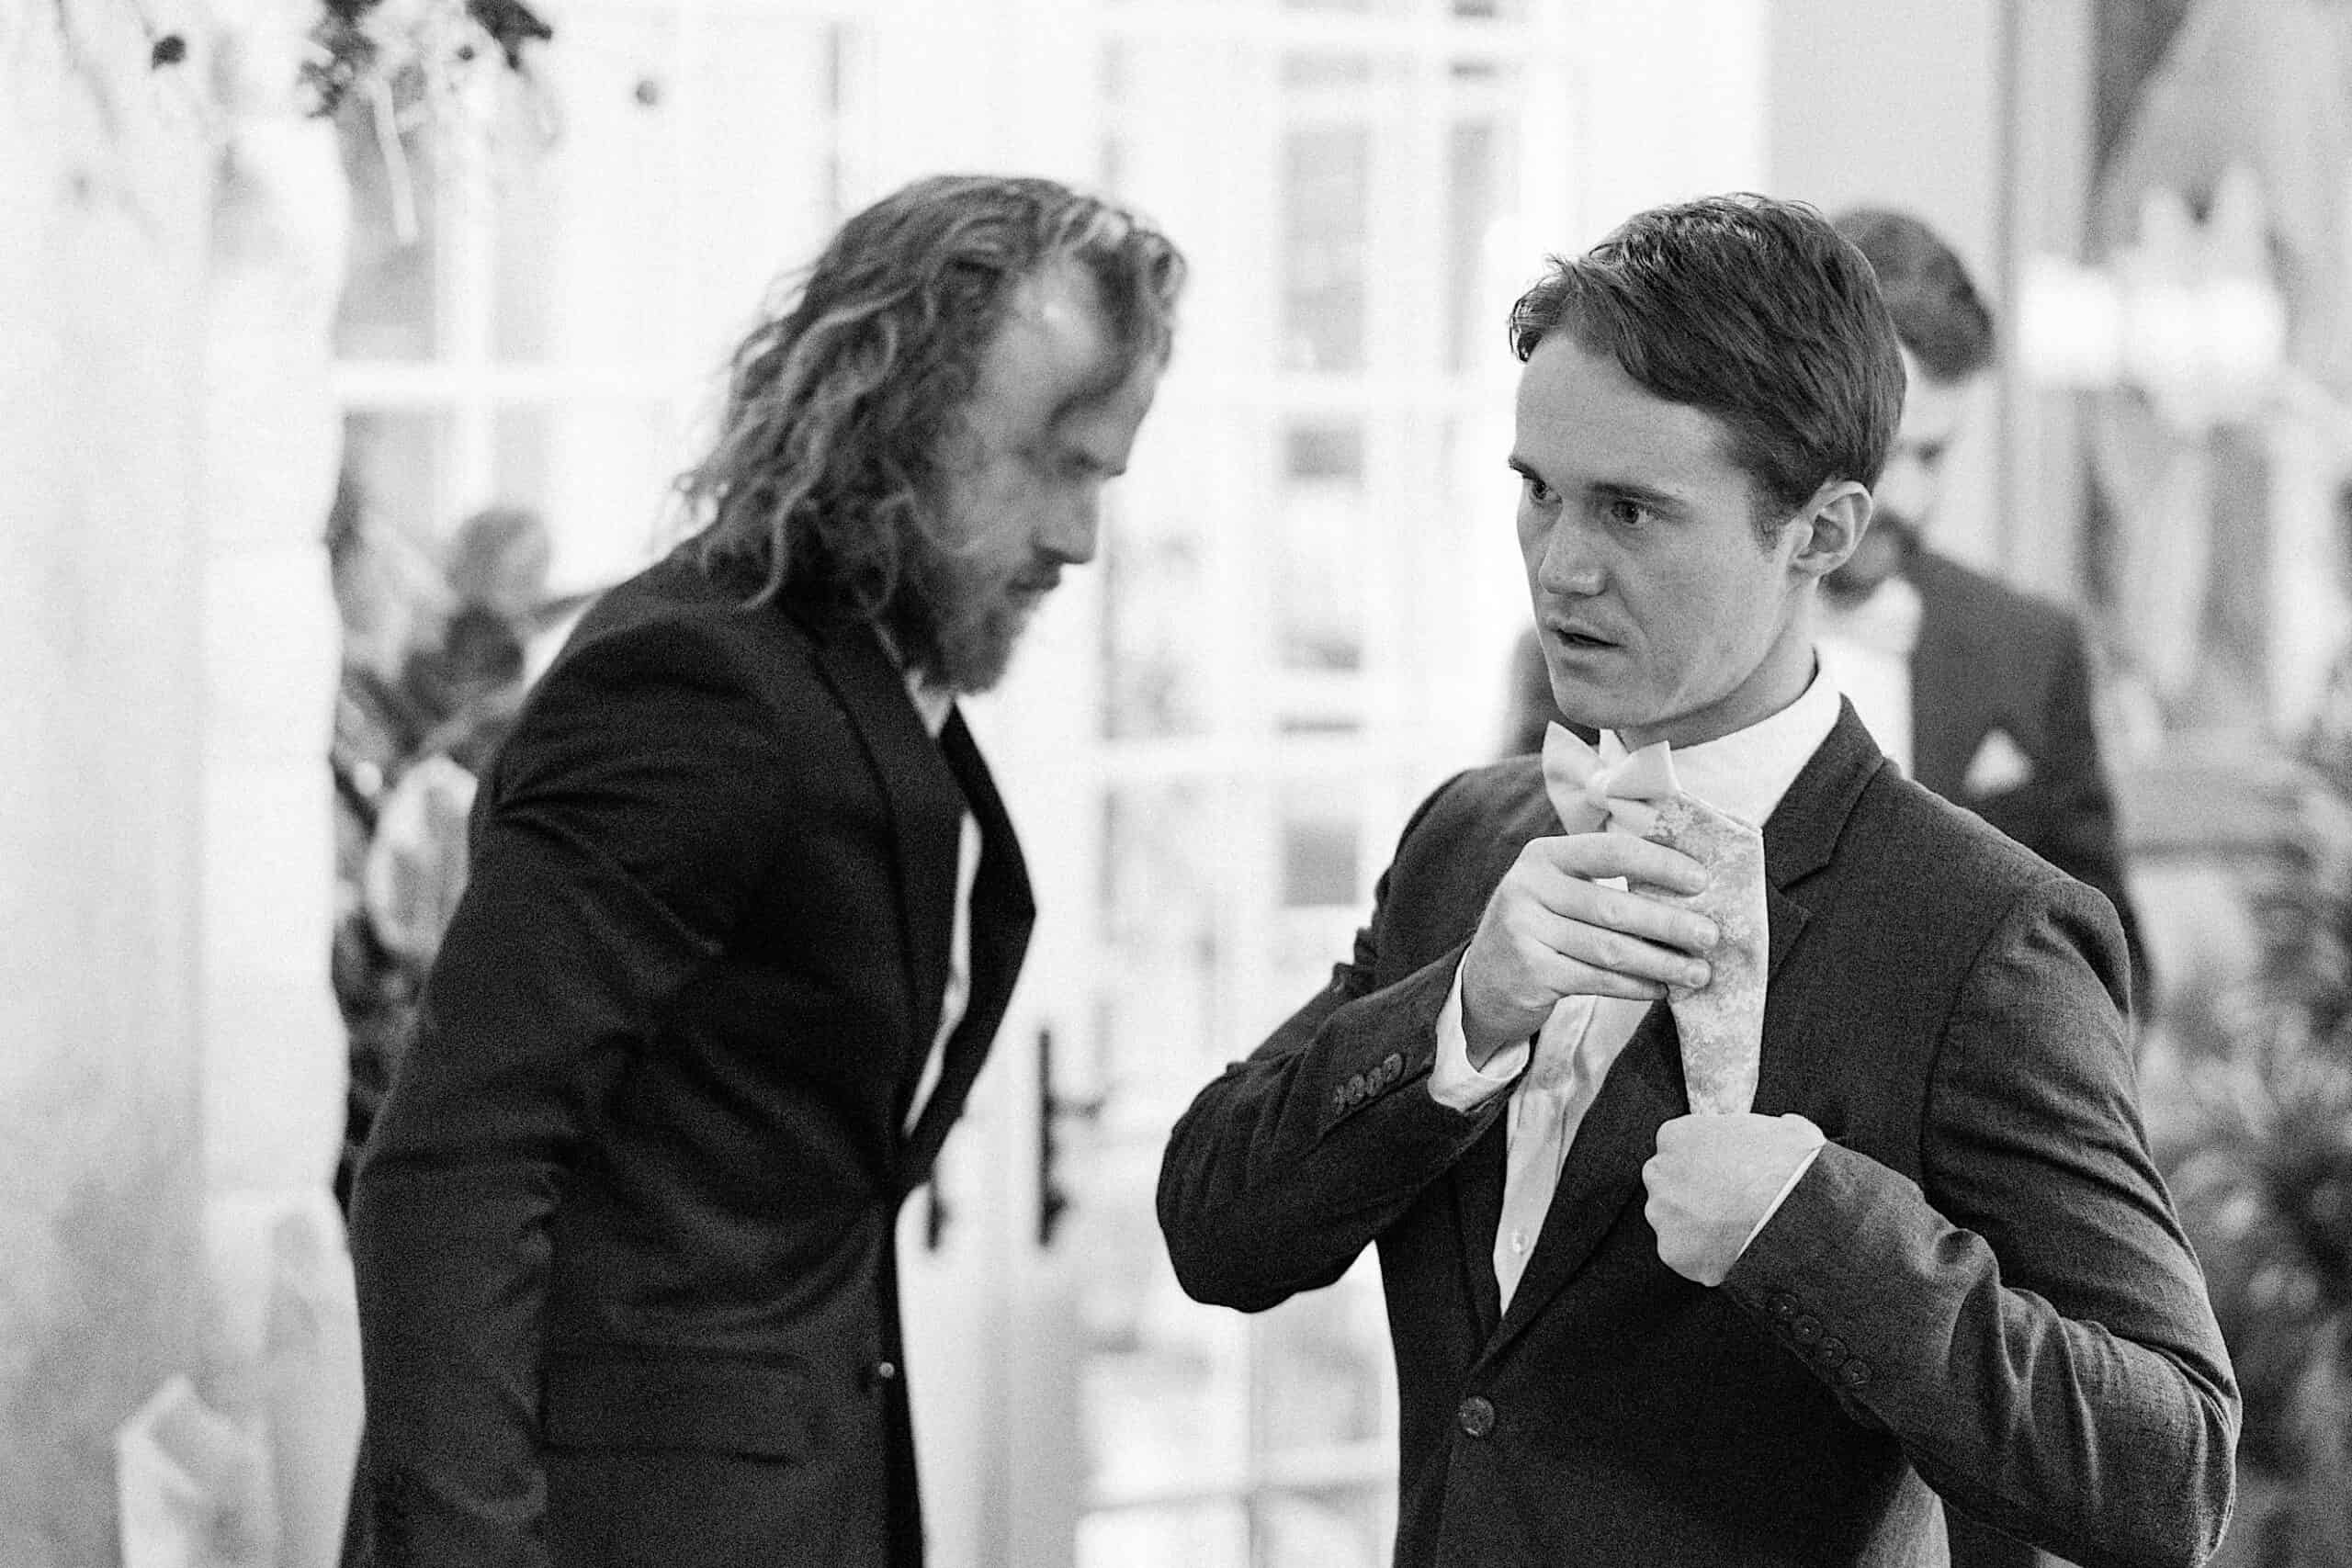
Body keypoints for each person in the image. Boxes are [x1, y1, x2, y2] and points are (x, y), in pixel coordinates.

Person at [1157, 195, 2236, 1568]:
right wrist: (1462, 1013)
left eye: (1631, 510)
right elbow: (1214, 1229)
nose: (1561, 565)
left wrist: (1820, 1230)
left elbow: (2170, 1474)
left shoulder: (1986, 935)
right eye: (1538, 491)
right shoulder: (1465, 841)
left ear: (1822, 530)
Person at [343, 174, 1184, 1568]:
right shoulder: (699, 682)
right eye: (1052, 464)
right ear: (894, 421)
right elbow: (455, 1166)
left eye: (1103, 477)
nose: (1078, 539)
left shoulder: (873, 681)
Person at [1820, 206, 2151, 1001]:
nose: (1909, 497)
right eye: (1885, 453)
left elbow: (2113, 964)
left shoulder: (2030, 649)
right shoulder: (1656, 640)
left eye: (1934, 455)